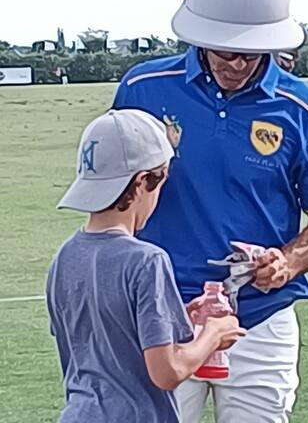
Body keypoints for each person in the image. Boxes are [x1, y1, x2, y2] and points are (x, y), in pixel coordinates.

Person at [113, 0, 308, 422]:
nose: (239, 64)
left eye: (253, 53)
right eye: (228, 51)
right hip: (159, 312)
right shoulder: (142, 89)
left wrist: (287, 261)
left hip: (261, 319)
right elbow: (113, 195)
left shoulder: (304, 109)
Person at [46, 108, 245, 423]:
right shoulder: (146, 260)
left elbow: (102, 338)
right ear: (142, 181)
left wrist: (177, 315)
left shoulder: (65, 257)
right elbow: (168, 371)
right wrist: (214, 334)